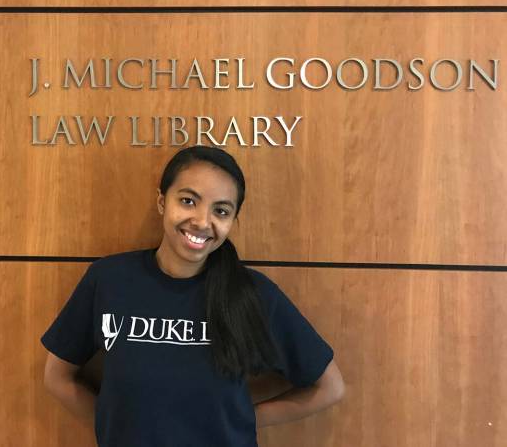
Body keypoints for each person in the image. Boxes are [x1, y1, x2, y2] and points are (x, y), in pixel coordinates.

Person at [41, 146, 345, 446]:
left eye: (221, 211)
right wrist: (114, 425)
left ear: (232, 220)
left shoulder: (253, 294)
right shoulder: (109, 279)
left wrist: (243, 417)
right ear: (162, 202)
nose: (202, 221)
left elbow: (330, 387)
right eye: (188, 201)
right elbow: (57, 377)